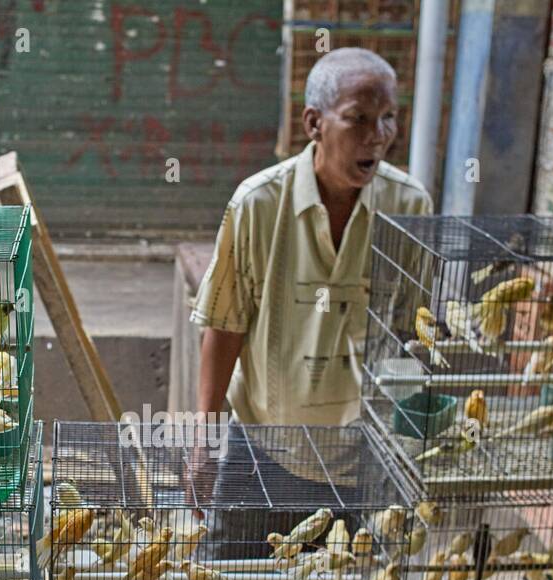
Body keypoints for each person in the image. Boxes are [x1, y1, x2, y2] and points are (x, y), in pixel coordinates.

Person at [184, 48, 430, 551]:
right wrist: (204, 444)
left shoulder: (409, 206)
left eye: (388, 119)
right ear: (314, 123)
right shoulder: (258, 204)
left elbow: (414, 332)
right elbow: (225, 326)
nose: (378, 135)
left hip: (364, 459)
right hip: (265, 454)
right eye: (358, 119)